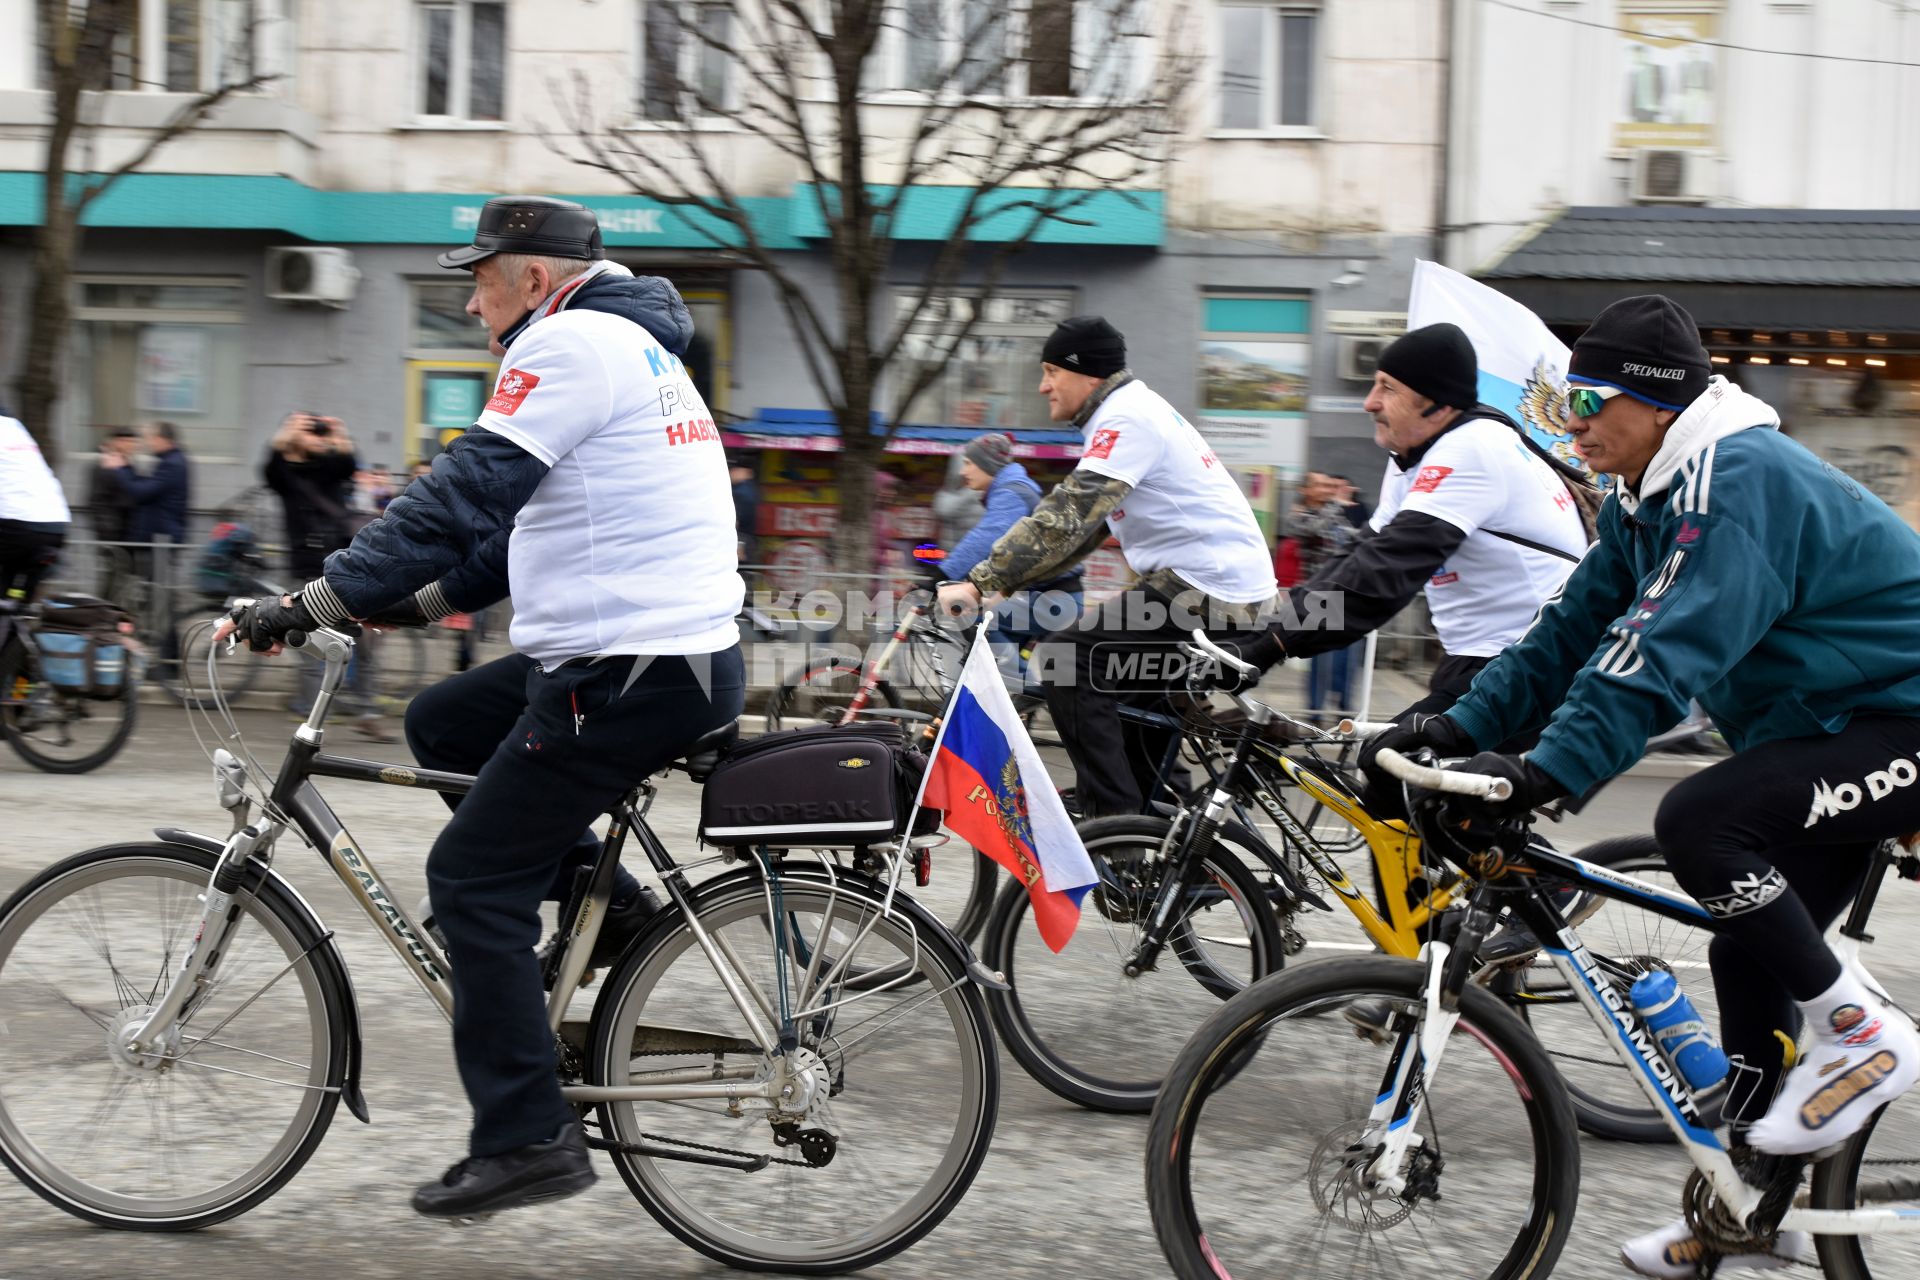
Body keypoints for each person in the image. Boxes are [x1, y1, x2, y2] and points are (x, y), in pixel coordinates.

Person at [1366, 296, 1920, 1277]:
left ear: (1655, 402)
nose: (1569, 419)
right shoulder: (1646, 495)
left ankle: (1864, 1032)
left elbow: (1656, 649)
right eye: (1560, 398)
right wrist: (1454, 726)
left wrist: (1543, 772)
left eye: (1586, 398)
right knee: (1749, 949)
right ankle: (1746, 1210)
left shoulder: (1731, 481)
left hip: (1902, 722)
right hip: (1832, 727)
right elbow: (1568, 632)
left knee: (1700, 817)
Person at [221, 195, 746, 1221]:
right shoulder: (623, 344)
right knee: (444, 723)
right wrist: (395, 605)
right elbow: (505, 538)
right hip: (652, 652)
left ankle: (526, 1133)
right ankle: (619, 910)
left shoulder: (573, 346)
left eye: (481, 279)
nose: (471, 303)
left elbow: (452, 500)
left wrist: (309, 603)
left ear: (535, 277)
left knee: (471, 881)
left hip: (628, 666)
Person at [937, 316, 1277, 819]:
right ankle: (1173, 839)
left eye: (1052, 371)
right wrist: (1005, 585)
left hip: (1207, 590)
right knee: (1136, 711)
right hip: (1215, 589)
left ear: (1088, 373)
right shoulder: (1126, 414)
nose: (1043, 385)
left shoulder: (1126, 417)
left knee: (1064, 660)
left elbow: (1067, 517)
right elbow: (1089, 531)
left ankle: (1114, 827)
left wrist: (982, 578)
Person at [1245, 323, 1592, 741]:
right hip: (1481, 656)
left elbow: (1385, 572)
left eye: (1388, 388)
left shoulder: (1471, 450)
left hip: (1530, 660)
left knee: (1391, 765)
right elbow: (1359, 553)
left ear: (1435, 405)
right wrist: (1268, 630)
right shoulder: (1412, 455)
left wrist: (1272, 646)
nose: (1369, 402)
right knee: (1393, 770)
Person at [263, 412, 392, 740]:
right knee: (307, 639)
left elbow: (348, 464)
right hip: (306, 565)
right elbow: (271, 469)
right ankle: (310, 715)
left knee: (362, 638)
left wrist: (338, 432)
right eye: (308, 431)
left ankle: (366, 712)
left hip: (343, 562)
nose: (313, 435)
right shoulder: (284, 473)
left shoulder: (328, 466)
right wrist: (288, 434)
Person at [939, 432, 1083, 685]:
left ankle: (1026, 692)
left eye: (969, 463)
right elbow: (1014, 555)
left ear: (987, 465)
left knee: (981, 622)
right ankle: (1014, 700)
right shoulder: (1011, 489)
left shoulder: (1012, 493)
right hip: (1048, 596)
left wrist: (941, 576)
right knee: (989, 658)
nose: (964, 471)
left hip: (1054, 599)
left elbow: (987, 539)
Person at [1285, 471, 1361, 719]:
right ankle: (1314, 713)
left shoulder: (1335, 512)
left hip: (1344, 593)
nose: (1328, 489)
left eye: (1329, 485)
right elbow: (1313, 530)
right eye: (1320, 485)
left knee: (1346, 660)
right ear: (1305, 490)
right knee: (1319, 660)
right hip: (1314, 596)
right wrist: (1336, 505)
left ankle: (1345, 711)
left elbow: (1354, 538)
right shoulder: (1299, 516)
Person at [0, 415, 70, 609]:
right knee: (13, 592)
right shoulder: (15, 427)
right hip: (56, 525)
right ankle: (16, 611)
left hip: (18, 526)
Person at [86, 428, 139, 600]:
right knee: (111, 577)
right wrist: (108, 532)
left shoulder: (128, 465)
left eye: (134, 442)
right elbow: (97, 501)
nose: (132, 445)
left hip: (127, 532)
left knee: (122, 578)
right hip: (112, 533)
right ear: (116, 441)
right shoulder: (103, 465)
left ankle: (112, 615)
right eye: (128, 441)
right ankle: (102, 613)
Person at [729, 455, 759, 564]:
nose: (730, 473)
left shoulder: (741, 492)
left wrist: (740, 545)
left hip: (741, 541)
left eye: (734, 470)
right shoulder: (751, 489)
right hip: (748, 540)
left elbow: (738, 521)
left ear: (744, 471)